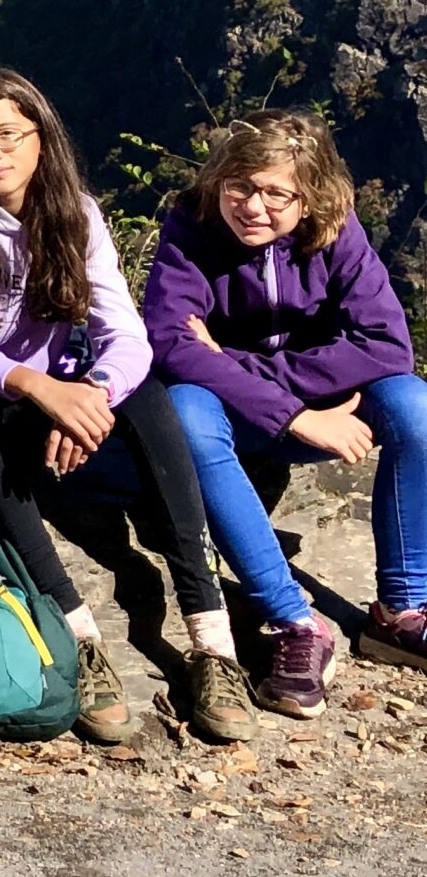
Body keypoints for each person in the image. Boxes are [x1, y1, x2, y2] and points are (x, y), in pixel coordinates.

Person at [0, 65, 253, 744]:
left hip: (50, 404)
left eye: (7, 134)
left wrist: (92, 396)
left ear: (41, 136)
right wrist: (35, 385)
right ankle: (76, 633)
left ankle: (211, 639)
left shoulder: (76, 214)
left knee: (149, 396)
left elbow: (125, 335)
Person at [144, 110, 427, 715]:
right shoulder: (191, 226)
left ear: (310, 197)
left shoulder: (337, 230)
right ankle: (295, 622)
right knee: (186, 415)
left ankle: (399, 613)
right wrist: (292, 414)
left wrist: (235, 364)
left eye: (277, 193)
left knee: (413, 405)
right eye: (239, 186)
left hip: (323, 403)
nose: (254, 206)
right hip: (235, 411)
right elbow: (170, 342)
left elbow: (387, 347)